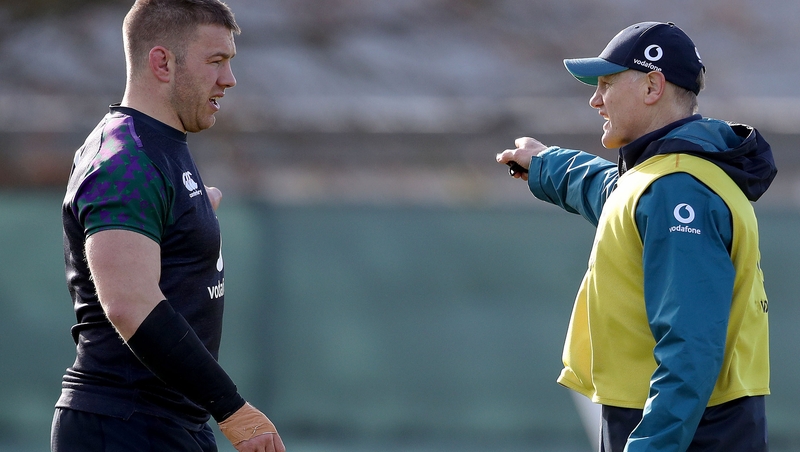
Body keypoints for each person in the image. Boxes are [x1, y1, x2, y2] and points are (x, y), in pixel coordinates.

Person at [496, 22, 776, 452]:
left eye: (607, 84)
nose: (595, 100)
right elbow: (613, 193)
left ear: (651, 86)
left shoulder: (677, 188)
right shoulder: (666, 177)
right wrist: (545, 163)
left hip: (683, 431)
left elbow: (690, 350)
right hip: (679, 422)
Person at [52, 1, 286, 451]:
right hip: (124, 424)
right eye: (215, 61)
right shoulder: (125, 160)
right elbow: (129, 302)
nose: (229, 79)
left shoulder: (158, 145)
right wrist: (233, 409)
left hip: (168, 422)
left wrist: (194, 215)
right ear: (162, 63)